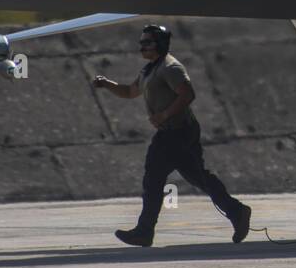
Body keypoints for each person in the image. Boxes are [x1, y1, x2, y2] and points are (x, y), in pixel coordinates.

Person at [92, 24, 251, 247]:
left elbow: (188, 94)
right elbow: (130, 92)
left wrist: (164, 114)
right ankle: (237, 211)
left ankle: (144, 231)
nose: (142, 47)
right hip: (173, 131)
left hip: (177, 131)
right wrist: (107, 84)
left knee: (153, 178)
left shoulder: (170, 68)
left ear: (160, 43)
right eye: (141, 43)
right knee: (198, 177)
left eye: (147, 42)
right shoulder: (149, 70)